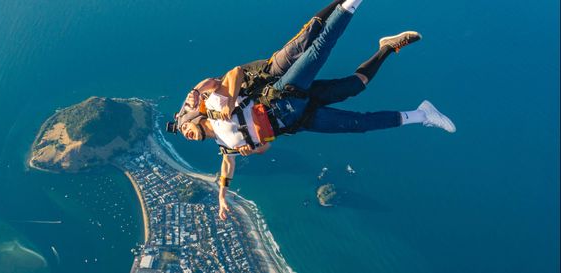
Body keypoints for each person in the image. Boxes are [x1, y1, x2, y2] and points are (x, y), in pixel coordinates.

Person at [167, 0, 456, 220]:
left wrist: (225, 100)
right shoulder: (224, 145)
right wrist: (223, 194)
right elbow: (232, 165)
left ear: (192, 118)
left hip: (281, 96)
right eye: (187, 136)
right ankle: (417, 106)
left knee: (316, 49)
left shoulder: (214, 105)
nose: (188, 135)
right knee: (357, 102)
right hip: (298, 119)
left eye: (186, 130)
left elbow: (231, 75)